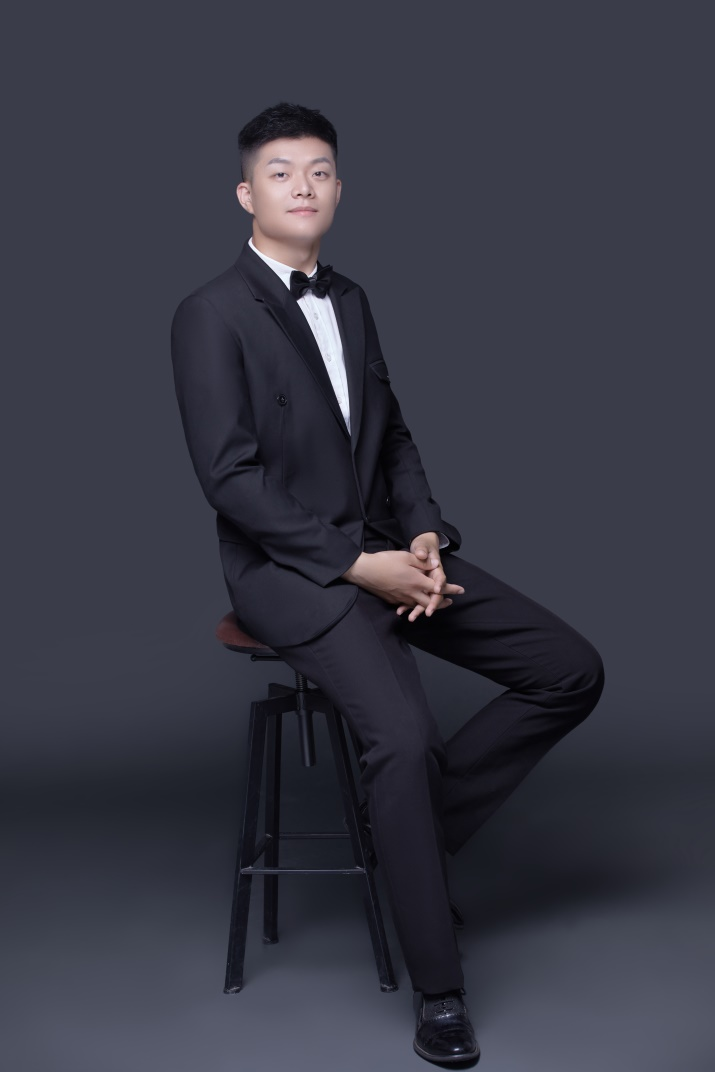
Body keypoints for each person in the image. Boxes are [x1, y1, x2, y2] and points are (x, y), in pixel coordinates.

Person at [170, 101, 605, 1065]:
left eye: (320, 171)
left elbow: (393, 435)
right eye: (281, 172)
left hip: (385, 548)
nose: (303, 186)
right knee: (404, 738)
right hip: (288, 572)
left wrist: (422, 534)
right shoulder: (209, 313)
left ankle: (407, 833)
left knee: (568, 669)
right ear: (245, 194)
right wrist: (353, 565)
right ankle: (439, 990)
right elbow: (229, 478)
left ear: (339, 188)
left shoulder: (353, 299)